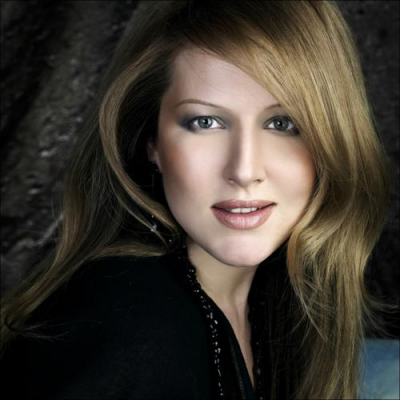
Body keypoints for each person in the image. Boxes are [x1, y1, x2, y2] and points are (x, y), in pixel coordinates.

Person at [0, 1, 395, 399]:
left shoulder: (276, 305)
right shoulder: (120, 328)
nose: (244, 170)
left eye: (282, 123)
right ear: (152, 143)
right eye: (205, 122)